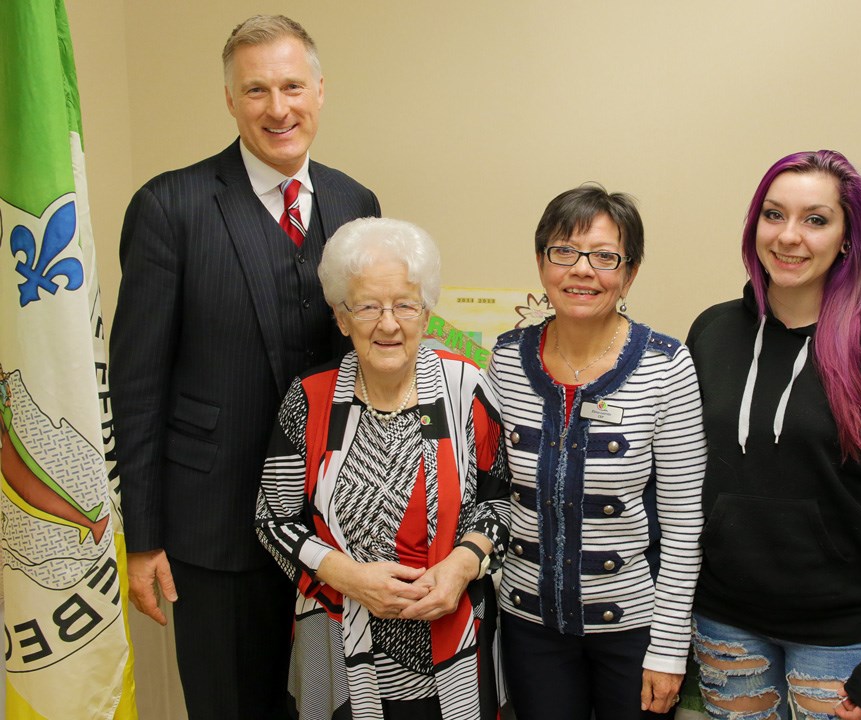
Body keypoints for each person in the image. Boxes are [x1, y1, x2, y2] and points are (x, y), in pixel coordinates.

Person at [109, 15, 380, 718]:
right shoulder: (170, 208)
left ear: (320, 90)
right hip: (213, 531)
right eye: (255, 90)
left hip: (335, 529)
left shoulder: (357, 206)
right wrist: (143, 542)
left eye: (292, 85)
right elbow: (136, 387)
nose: (278, 107)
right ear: (230, 101)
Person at [686, 151, 861, 720]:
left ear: (847, 237)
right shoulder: (713, 331)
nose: (789, 236)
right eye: (774, 215)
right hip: (725, 618)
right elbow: (676, 482)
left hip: (837, 634)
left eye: (816, 219)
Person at [255, 218, 509, 719]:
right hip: (337, 640)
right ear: (341, 317)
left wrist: (460, 567)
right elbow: (273, 521)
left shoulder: (468, 388)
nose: (388, 323)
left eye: (404, 305)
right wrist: (348, 576)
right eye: (368, 306)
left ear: (426, 312)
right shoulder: (310, 398)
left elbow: (500, 502)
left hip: (456, 635)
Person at [484, 184, 706, 720]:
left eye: (605, 257)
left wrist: (670, 647)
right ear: (542, 263)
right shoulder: (507, 359)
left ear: (628, 274)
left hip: (633, 630)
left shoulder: (667, 365)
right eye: (564, 251)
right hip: (529, 623)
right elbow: (488, 489)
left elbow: (682, 523)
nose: (582, 270)